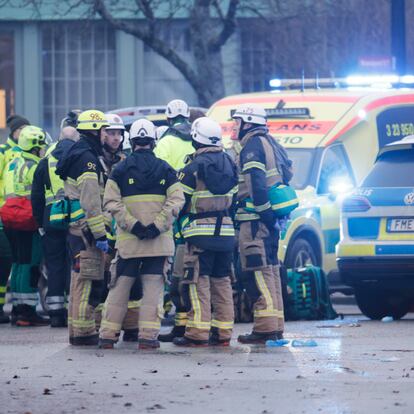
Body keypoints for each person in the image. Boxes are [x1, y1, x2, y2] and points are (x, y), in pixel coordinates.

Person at [99, 118, 184, 350]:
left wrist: (133, 226)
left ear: (132, 140)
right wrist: (156, 226)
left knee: (119, 289)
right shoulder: (166, 169)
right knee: (153, 290)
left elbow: (111, 202)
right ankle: (148, 337)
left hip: (129, 244)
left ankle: (107, 336)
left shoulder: (119, 170)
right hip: (158, 243)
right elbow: (177, 201)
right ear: (154, 141)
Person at [173, 117, 238, 347]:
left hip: (200, 234)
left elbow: (179, 201)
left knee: (198, 282)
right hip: (226, 233)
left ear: (195, 139)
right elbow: (236, 200)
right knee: (222, 283)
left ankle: (197, 334)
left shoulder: (193, 168)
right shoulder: (231, 163)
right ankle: (223, 333)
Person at [232, 104, 293, 344]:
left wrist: (265, 213)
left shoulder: (252, 146)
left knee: (256, 274)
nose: (234, 127)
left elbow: (256, 184)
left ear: (248, 122)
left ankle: (265, 328)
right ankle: (274, 326)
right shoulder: (270, 142)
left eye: (237, 122)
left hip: (255, 222)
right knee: (270, 271)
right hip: (269, 222)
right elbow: (287, 173)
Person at [55, 109, 110, 346]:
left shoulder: (79, 152)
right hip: (85, 230)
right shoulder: (87, 158)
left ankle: (79, 330)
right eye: (105, 130)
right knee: (85, 280)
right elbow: (90, 200)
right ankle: (83, 332)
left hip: (77, 228)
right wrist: (100, 233)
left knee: (79, 280)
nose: (107, 135)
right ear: (95, 131)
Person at [94, 113, 141, 342]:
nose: (115, 138)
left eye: (118, 134)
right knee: (103, 280)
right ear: (101, 134)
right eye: (110, 133)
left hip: (122, 226)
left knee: (130, 278)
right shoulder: (93, 160)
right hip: (102, 228)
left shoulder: (126, 160)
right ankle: (101, 327)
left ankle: (131, 327)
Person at [30, 126, 79, 327]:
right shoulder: (80, 157)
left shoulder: (46, 161)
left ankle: (56, 312)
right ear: (75, 139)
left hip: (51, 218)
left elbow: (37, 196)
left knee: (54, 265)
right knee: (76, 263)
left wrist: (39, 222)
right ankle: (74, 309)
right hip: (76, 215)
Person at [1, 125, 48, 326]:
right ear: (36, 146)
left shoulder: (13, 163)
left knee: (18, 263)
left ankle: (18, 309)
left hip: (9, 219)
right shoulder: (36, 165)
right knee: (31, 264)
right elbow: (39, 194)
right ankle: (27, 311)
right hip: (28, 220)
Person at [0, 115, 30, 323]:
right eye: (23, 129)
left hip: (18, 215)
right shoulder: (4, 152)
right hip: (5, 213)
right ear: (15, 131)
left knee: (12, 260)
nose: (25, 133)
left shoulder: (24, 153)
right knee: (5, 259)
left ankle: (3, 307)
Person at [154, 99, 194, 170]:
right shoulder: (199, 139)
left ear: (168, 119)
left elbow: (159, 171)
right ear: (188, 117)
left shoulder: (164, 143)